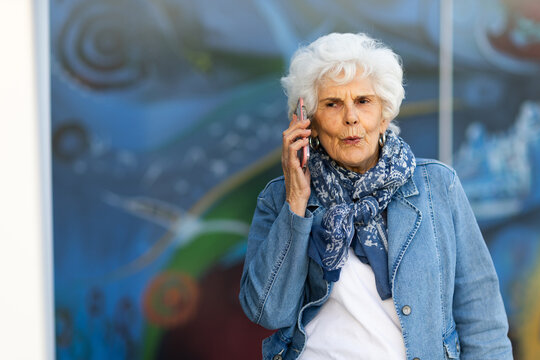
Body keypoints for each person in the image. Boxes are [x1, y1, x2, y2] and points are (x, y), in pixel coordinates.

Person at [239, 32, 512, 360]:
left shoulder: (438, 186)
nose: (351, 117)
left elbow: (481, 315)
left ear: (385, 114)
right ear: (308, 120)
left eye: (363, 101)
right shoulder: (280, 197)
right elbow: (267, 312)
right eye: (332, 104)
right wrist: (296, 201)